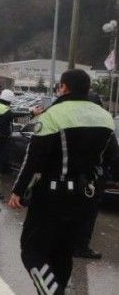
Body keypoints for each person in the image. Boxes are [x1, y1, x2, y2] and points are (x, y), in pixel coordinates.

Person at [8, 69, 119, 295]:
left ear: (64, 87)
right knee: (63, 252)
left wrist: (18, 190)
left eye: (60, 86)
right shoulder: (105, 117)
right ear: (87, 89)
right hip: (83, 197)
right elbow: (112, 158)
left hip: (51, 195)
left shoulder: (54, 114)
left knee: (31, 251)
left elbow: (34, 158)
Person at [71, 90, 106, 260]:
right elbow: (112, 153)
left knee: (70, 211)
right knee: (87, 215)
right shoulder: (103, 126)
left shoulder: (70, 122)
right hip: (91, 178)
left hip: (69, 177)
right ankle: (81, 247)